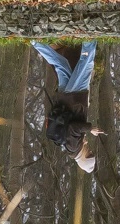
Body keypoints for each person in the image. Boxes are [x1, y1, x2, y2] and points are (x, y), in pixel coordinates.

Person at [32, 40, 104, 172]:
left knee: (86, 64)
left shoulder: (73, 148)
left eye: (89, 155)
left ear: (83, 159)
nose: (90, 151)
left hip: (75, 96)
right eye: (92, 154)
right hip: (66, 98)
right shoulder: (75, 147)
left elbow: (73, 128)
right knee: (61, 64)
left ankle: (89, 38)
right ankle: (35, 42)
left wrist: (90, 128)